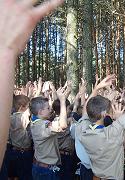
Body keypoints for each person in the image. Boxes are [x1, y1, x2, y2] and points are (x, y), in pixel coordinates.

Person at [0, 0, 64, 168]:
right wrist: (6, 50)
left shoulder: (15, 116)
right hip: (24, 155)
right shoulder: (22, 118)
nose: (49, 109)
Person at [78, 71, 125, 180]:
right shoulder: (111, 133)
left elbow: (85, 112)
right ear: (104, 114)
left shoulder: (83, 131)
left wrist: (97, 88)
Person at [30, 87, 69, 180]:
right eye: (48, 108)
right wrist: (62, 102)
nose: (50, 110)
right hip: (46, 171)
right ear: (40, 112)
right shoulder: (42, 125)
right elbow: (63, 125)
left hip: (40, 167)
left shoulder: (35, 121)